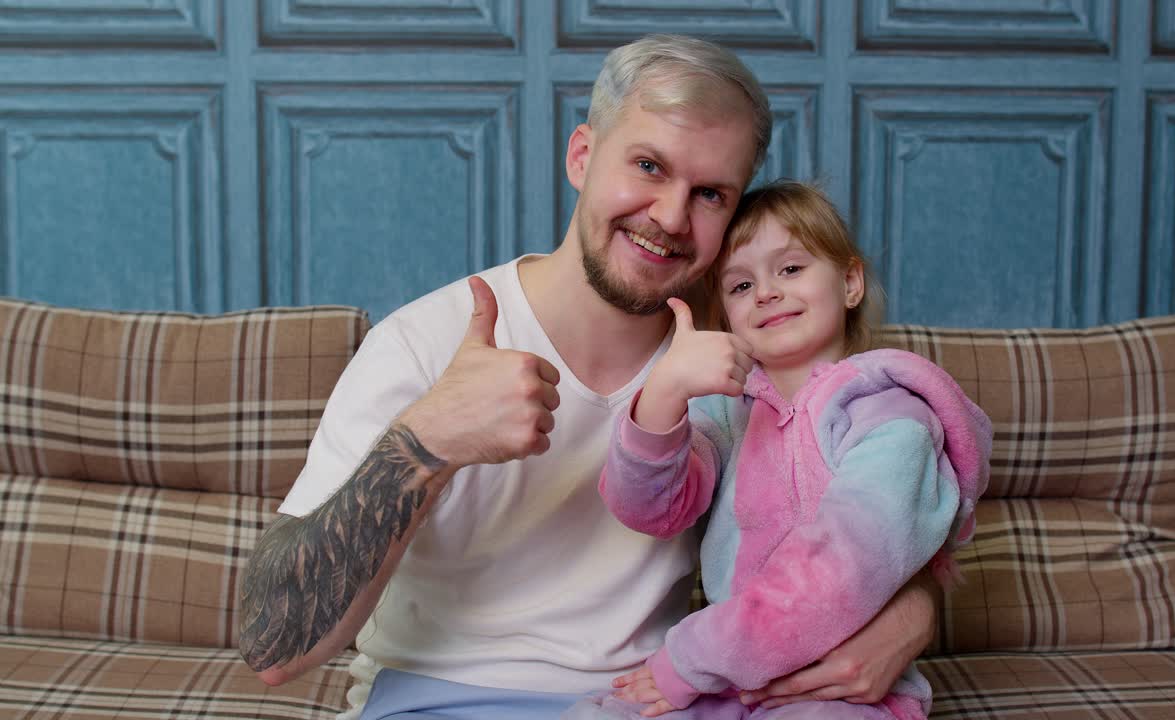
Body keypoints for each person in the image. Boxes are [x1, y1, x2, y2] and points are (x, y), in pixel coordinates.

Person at [237, 35, 943, 720]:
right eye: (648, 166)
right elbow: (274, 647)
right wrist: (427, 443)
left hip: (651, 701)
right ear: (582, 155)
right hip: (441, 695)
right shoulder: (426, 343)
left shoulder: (737, 356)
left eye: (709, 194)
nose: (669, 216)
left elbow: (849, 510)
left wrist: (912, 616)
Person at [563, 181, 992, 720]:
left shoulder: (891, 419)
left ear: (851, 282)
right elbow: (649, 510)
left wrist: (690, 659)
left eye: (790, 269)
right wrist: (665, 393)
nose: (766, 292)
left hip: (838, 684)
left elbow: (842, 565)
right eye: (741, 285)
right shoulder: (724, 414)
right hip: (726, 684)